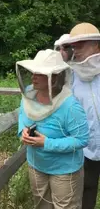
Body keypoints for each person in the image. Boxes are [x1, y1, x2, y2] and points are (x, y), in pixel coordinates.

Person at [16, 49, 89, 209]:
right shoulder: (29, 92)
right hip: (36, 165)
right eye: (33, 71)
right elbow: (23, 115)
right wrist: (23, 132)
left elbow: (82, 139)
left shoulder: (70, 106)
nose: (33, 75)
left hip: (64, 170)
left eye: (40, 72)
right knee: (42, 205)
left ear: (54, 77)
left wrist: (46, 143)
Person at [59, 22, 100, 209]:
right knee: (86, 192)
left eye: (81, 43)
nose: (76, 48)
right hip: (84, 148)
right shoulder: (70, 76)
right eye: (74, 45)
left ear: (96, 44)